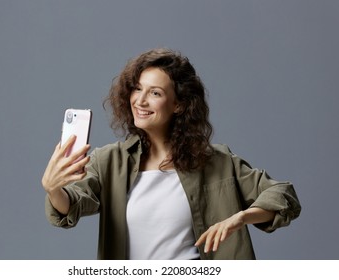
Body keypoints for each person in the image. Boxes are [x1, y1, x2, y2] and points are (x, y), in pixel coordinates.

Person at [42, 48, 301, 260]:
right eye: (136, 88)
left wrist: (241, 217)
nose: (140, 101)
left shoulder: (216, 162)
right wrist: (54, 190)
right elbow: (73, 205)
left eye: (155, 93)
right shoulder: (109, 161)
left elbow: (283, 195)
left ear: (178, 104)